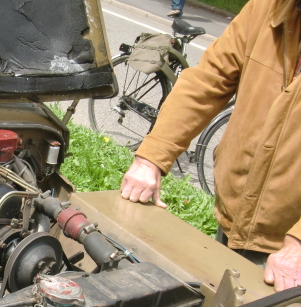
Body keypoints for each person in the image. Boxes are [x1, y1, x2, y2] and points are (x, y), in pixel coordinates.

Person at [120, 0, 301, 292]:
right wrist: (151, 158)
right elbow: (207, 81)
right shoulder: (269, 8)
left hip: (292, 256)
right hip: (234, 221)